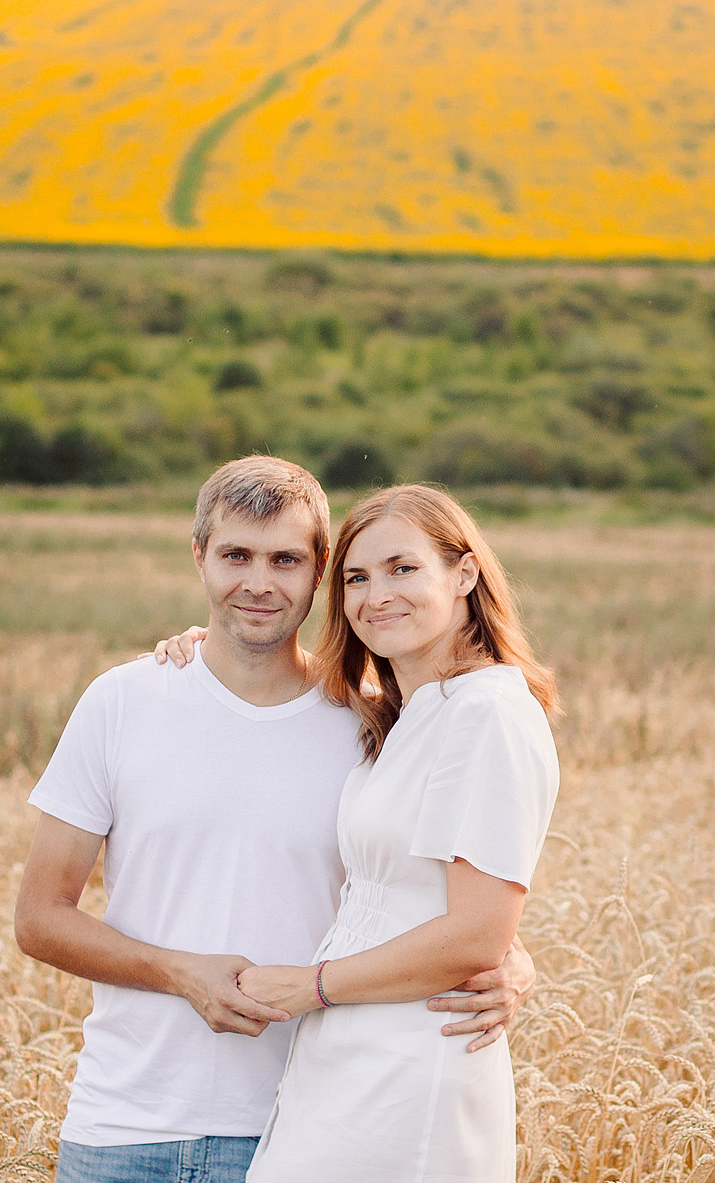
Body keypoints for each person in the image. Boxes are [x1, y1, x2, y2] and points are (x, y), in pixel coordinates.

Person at [14, 457, 535, 1183]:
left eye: (286, 559)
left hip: (302, 1124)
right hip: (125, 1126)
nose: (258, 583)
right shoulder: (124, 700)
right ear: (199, 557)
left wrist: (507, 955)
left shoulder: (372, 720)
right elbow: (39, 916)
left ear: (319, 570)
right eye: (236, 555)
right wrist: (179, 972)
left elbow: (440, 880)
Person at [153, 483, 560, 1183]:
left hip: (408, 1059)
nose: (378, 595)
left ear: (464, 573)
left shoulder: (489, 710)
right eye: (356, 577)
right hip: (346, 1054)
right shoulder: (409, 716)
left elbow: (477, 934)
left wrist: (309, 986)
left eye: (403, 568)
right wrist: (205, 646)